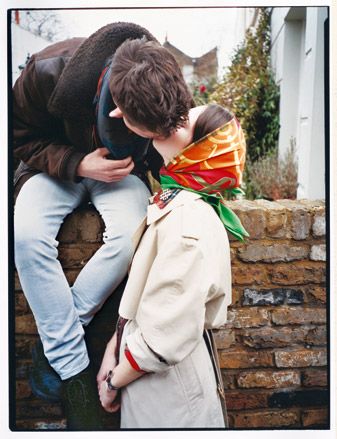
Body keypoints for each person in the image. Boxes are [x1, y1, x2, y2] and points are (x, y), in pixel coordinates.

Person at [13, 23, 193, 430]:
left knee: (133, 237)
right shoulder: (45, 70)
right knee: (25, 236)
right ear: (118, 111)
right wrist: (77, 163)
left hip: (121, 178)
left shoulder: (164, 84)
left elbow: (173, 151)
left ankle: (57, 345)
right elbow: (16, 137)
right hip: (52, 169)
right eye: (149, 134)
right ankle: (76, 373)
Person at [97, 104, 249, 428]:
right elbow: (144, 296)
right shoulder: (178, 198)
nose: (171, 122)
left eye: (183, 122)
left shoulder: (186, 223)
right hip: (153, 381)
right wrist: (114, 345)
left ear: (198, 152)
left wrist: (112, 383)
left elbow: (159, 343)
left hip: (171, 399)